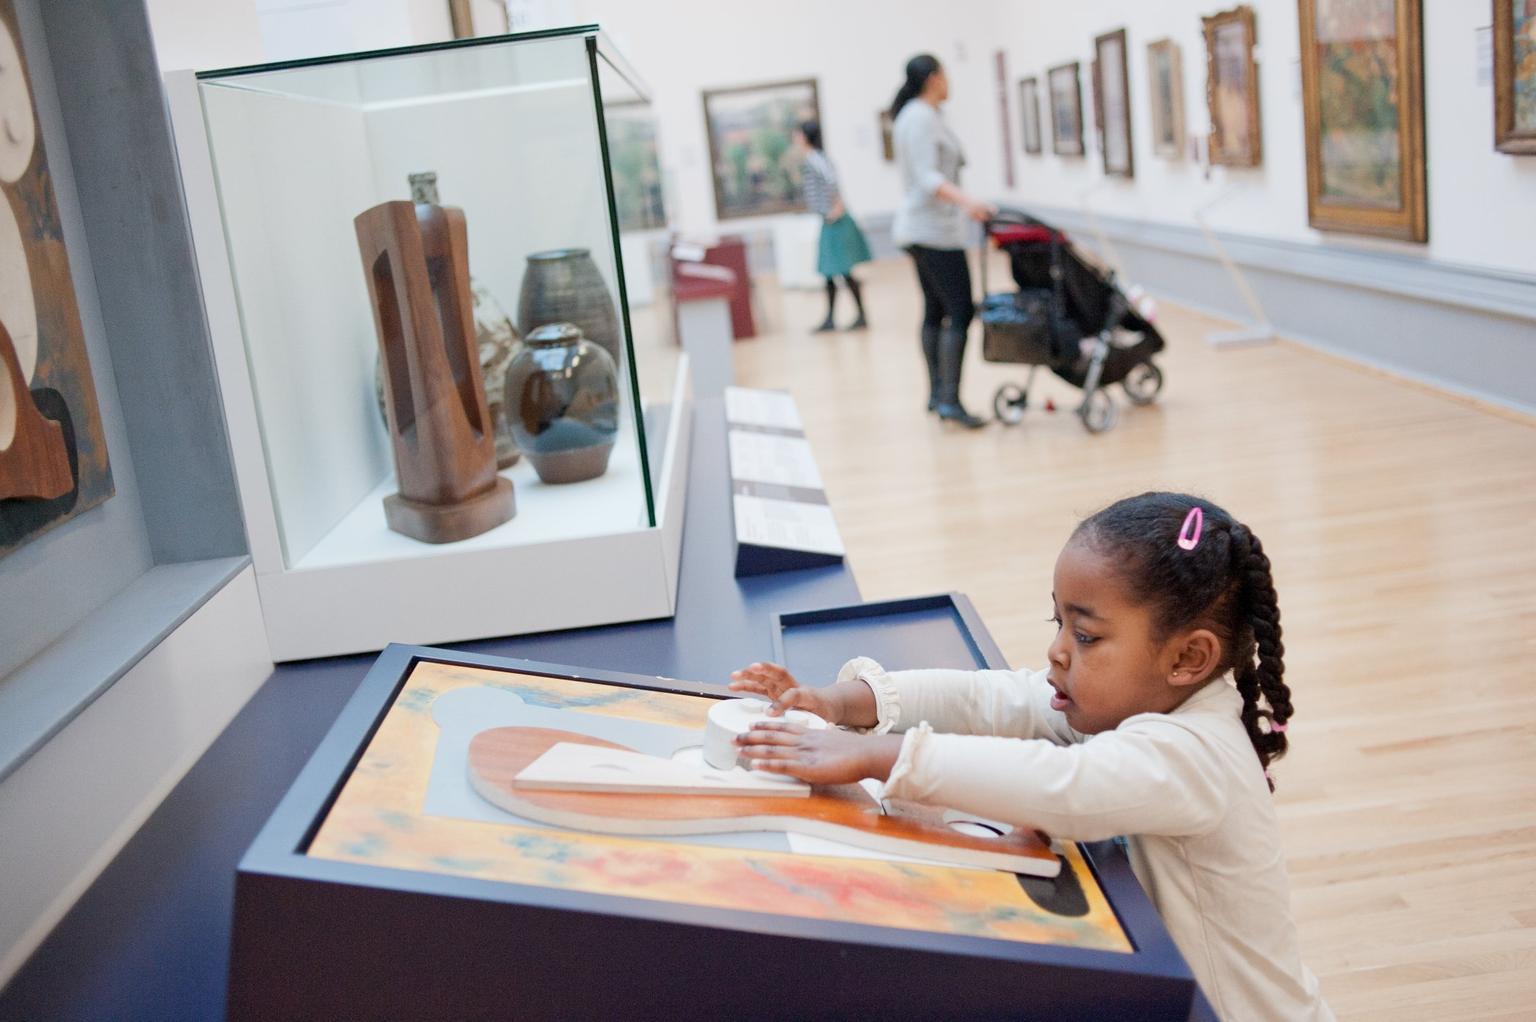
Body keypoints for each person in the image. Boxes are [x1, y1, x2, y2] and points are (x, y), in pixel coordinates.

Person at [729, 492, 1335, 1022]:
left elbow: (1070, 789)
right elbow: (994, 697)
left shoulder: (1197, 752)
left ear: (1187, 659)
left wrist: (875, 757)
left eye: (1087, 636)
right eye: (1059, 623)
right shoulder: (1137, 704)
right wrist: (843, 703)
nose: (1057, 651)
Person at [890, 54, 994, 428]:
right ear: (934, 78)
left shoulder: (923, 116)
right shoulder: (919, 117)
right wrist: (970, 203)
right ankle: (948, 398)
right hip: (932, 232)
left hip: (928, 229)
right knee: (961, 310)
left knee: (936, 311)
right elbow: (927, 178)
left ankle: (938, 395)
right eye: (946, 75)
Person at [794, 120, 870, 332]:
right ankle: (831, 318)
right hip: (829, 220)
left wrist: (835, 208)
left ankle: (859, 316)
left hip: (834, 221)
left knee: (842, 271)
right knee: (830, 273)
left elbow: (831, 182)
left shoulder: (815, 159)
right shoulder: (815, 158)